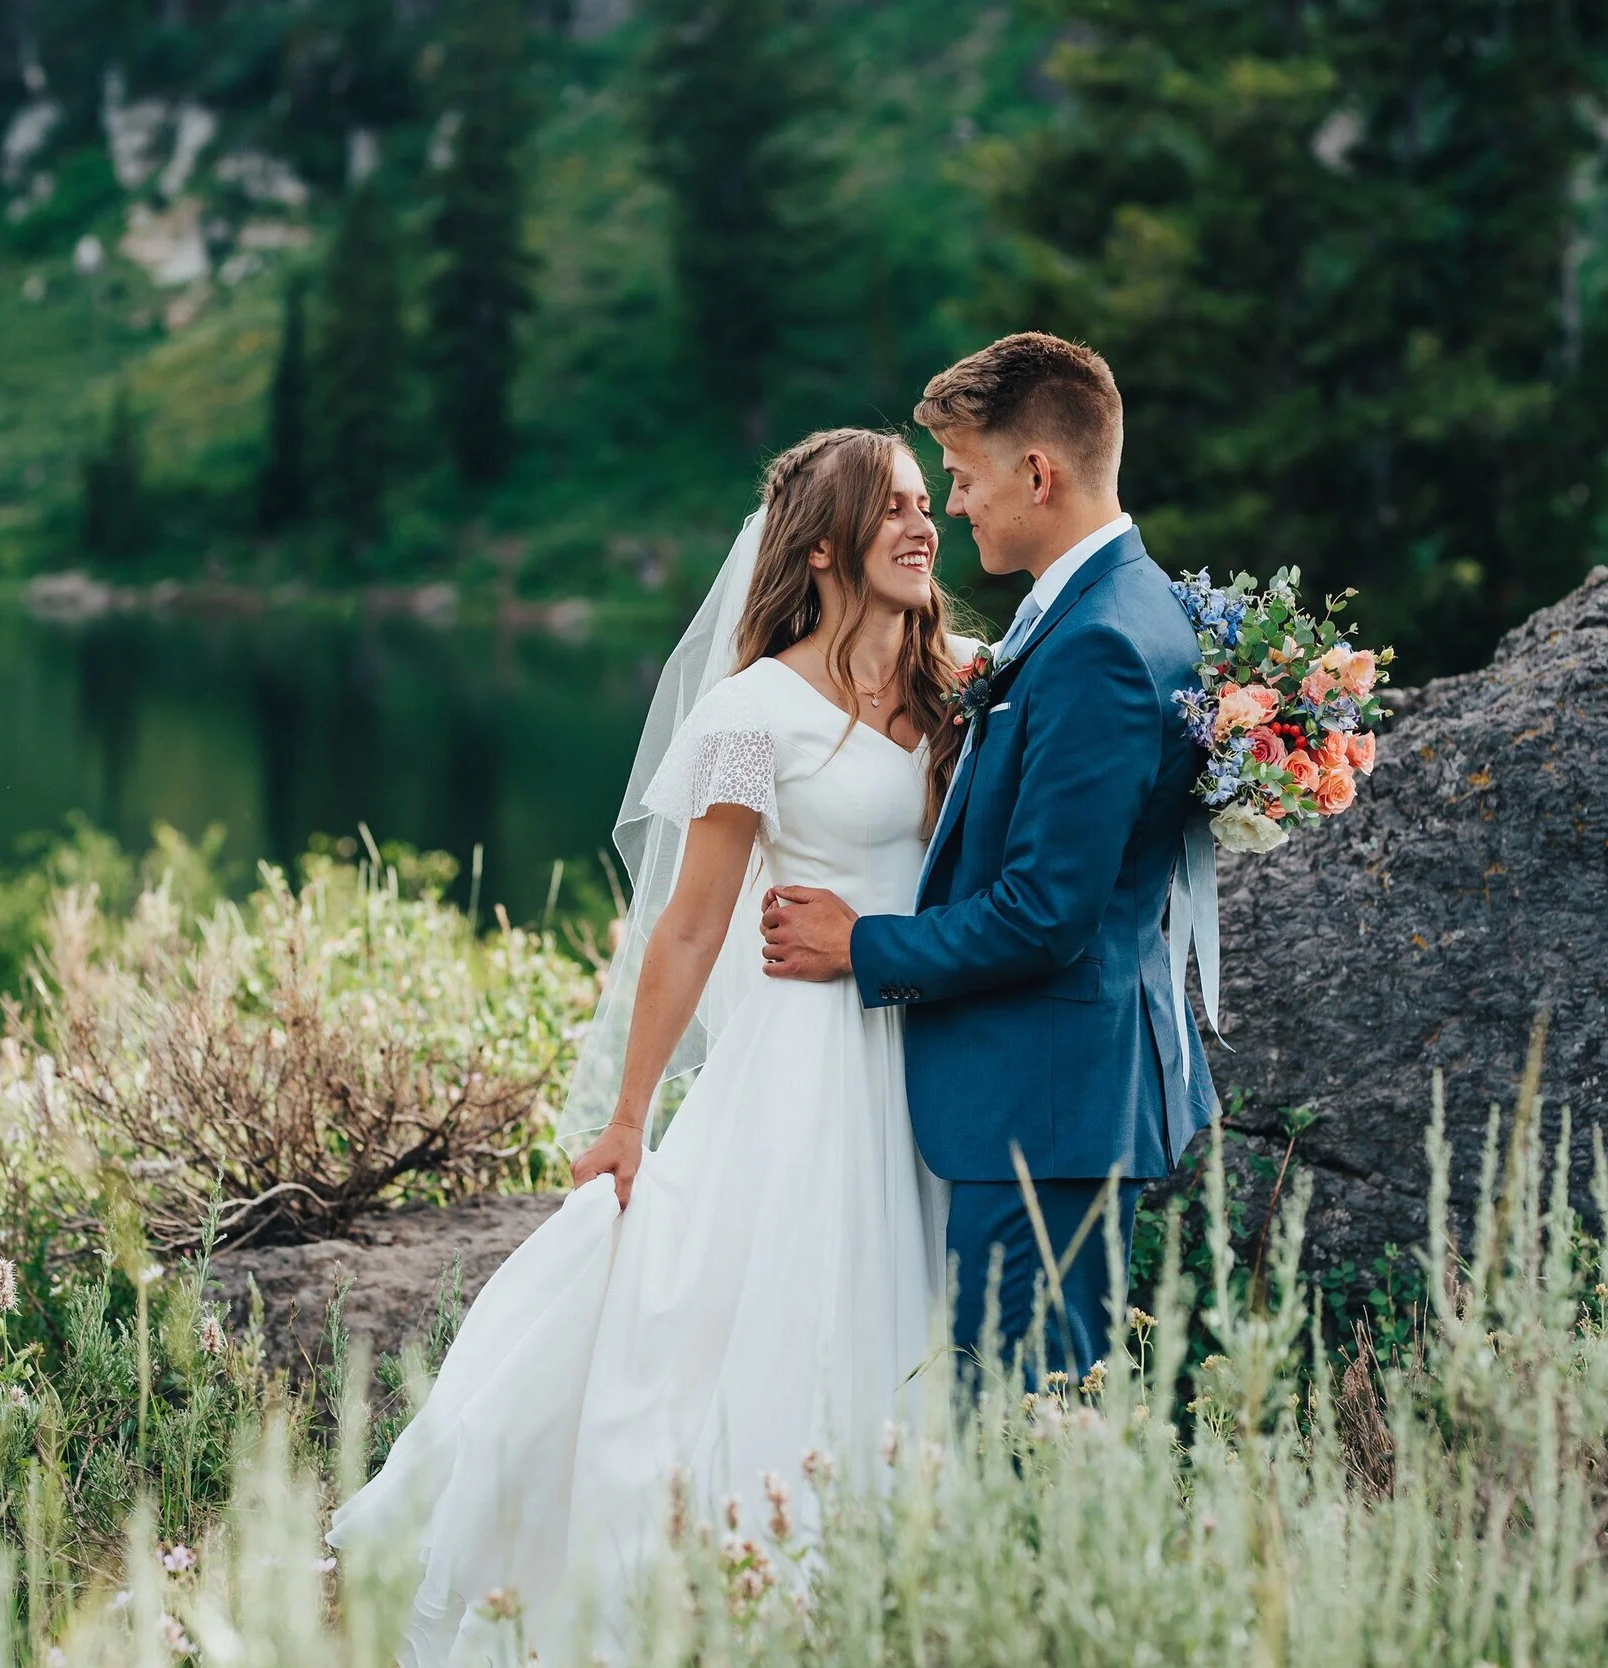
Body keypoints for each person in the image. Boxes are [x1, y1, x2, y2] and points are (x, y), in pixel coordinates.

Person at [328, 427, 970, 1664]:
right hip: (802, 1060)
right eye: (889, 507)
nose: (922, 522)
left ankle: (903, 1587)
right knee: (784, 1306)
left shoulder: (966, 680)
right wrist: (624, 1116)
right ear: (825, 545)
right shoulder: (751, 710)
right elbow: (687, 927)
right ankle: (753, 1584)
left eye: (922, 502)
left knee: (912, 1298)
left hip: (928, 1039)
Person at [761, 332, 1218, 1380]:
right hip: (1051, 1102)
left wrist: (862, 943)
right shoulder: (1103, 608)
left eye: (962, 479)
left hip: (1046, 1107)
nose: (953, 507)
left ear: (1037, 473)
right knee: (1034, 1400)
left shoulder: (1099, 641)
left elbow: (1044, 912)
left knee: (1020, 1417)